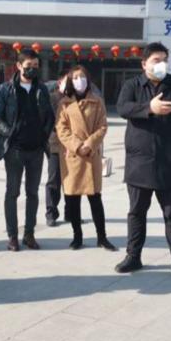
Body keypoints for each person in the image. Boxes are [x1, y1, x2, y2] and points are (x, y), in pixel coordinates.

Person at [115, 42, 171, 279]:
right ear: (144, 64)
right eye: (156, 60)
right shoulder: (132, 85)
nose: (161, 64)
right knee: (136, 212)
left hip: (170, 162)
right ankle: (133, 256)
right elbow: (123, 108)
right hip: (139, 163)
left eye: (164, 60)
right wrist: (149, 108)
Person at [0, 47, 55, 251]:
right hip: (14, 150)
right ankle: (12, 236)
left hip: (36, 150)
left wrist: (43, 135)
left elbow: (50, 116)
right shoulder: (6, 89)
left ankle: (29, 234)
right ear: (19, 66)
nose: (32, 69)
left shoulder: (41, 89)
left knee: (33, 193)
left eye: (36, 66)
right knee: (12, 192)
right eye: (29, 66)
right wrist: (10, 133)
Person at [55, 66, 117, 251]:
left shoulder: (97, 101)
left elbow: (102, 126)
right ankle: (77, 237)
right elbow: (61, 129)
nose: (79, 80)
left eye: (82, 77)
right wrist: (77, 145)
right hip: (73, 156)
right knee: (73, 200)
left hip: (91, 155)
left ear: (88, 80)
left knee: (95, 199)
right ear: (70, 81)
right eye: (75, 77)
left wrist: (89, 144)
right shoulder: (64, 103)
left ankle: (102, 237)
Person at [45, 70, 69, 227]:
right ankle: (51, 213)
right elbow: (53, 122)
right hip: (55, 143)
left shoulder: (75, 98)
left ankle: (71, 212)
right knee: (54, 179)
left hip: (73, 145)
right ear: (60, 82)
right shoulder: (53, 98)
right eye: (69, 79)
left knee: (72, 180)